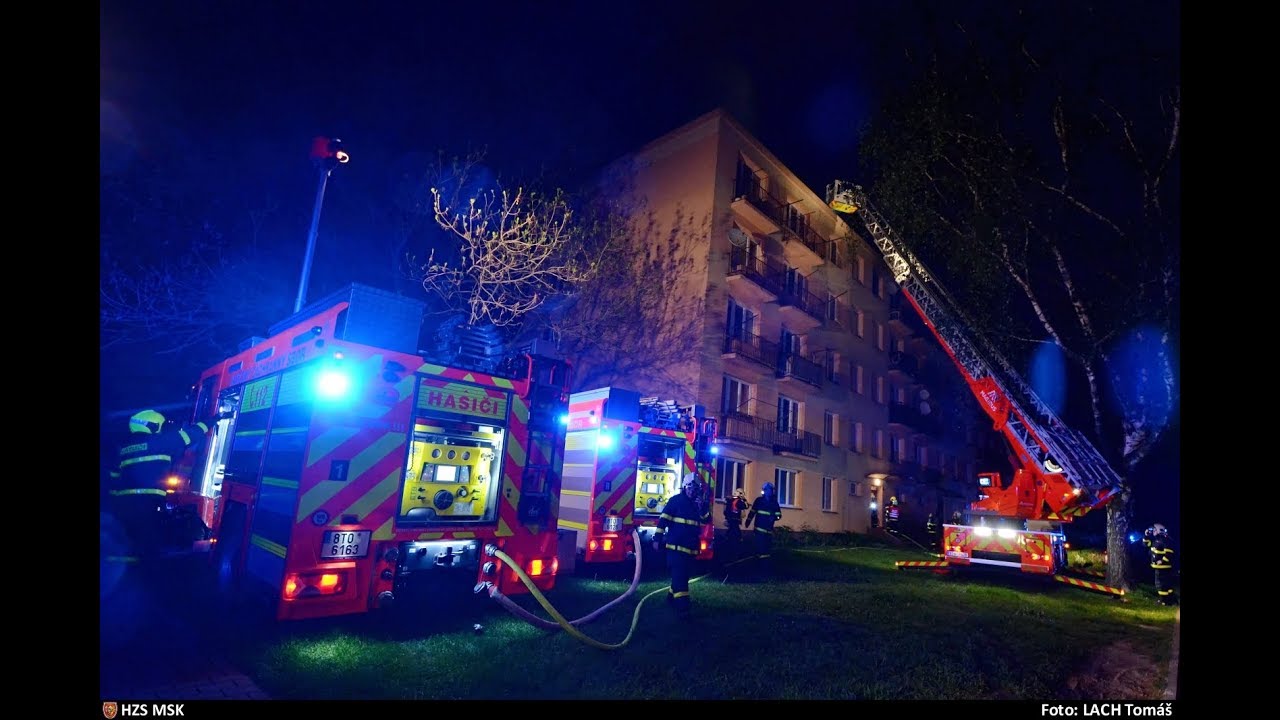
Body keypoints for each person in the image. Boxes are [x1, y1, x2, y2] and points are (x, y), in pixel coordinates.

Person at [106, 409, 210, 560]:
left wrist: (114, 500)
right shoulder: (159, 441)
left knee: (127, 537)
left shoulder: (123, 448)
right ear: (151, 425)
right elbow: (191, 434)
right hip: (148, 501)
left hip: (124, 502)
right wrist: (213, 419)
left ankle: (123, 565)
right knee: (148, 539)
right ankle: (146, 568)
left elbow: (114, 476)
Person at [652, 474, 710, 618]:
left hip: (690, 549)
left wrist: (702, 508)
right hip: (675, 549)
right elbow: (663, 520)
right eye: (690, 488)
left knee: (682, 576)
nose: (692, 491)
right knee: (681, 579)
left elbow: (706, 520)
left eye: (695, 488)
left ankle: (670, 598)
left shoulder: (698, 504)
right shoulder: (675, 501)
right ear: (684, 487)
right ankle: (683, 609)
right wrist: (657, 538)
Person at [744, 482, 782, 579]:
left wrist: (775, 517)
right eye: (767, 490)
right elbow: (752, 512)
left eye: (771, 490)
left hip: (769, 531)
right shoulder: (759, 501)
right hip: (759, 530)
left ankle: (764, 569)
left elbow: (779, 515)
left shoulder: (774, 503)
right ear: (764, 491)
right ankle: (761, 569)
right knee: (761, 549)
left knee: (767, 551)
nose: (769, 492)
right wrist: (748, 521)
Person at [1144, 523, 1177, 606]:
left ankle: (1164, 601)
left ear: (1159, 530)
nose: (1152, 531)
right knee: (1167, 584)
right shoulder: (1156, 540)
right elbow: (1146, 544)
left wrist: (1162, 561)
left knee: (1161, 584)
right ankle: (1171, 600)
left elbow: (1169, 552)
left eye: (1154, 530)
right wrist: (1146, 536)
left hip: (1163, 567)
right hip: (1160, 567)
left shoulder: (1164, 540)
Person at [724, 488, 748, 553]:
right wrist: (744, 499)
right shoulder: (738, 501)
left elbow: (726, 510)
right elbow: (746, 506)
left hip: (731, 518)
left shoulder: (731, 500)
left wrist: (726, 518)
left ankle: (727, 539)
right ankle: (738, 540)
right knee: (735, 529)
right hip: (735, 519)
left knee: (732, 529)